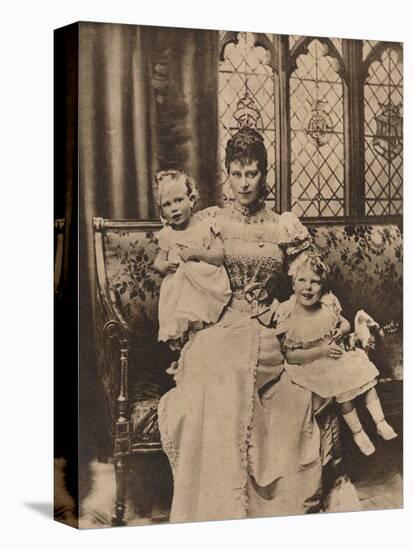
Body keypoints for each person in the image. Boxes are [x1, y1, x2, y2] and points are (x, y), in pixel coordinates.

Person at [158, 128, 360, 523]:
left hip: (267, 326)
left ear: (264, 174)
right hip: (221, 321)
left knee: (259, 380)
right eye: (236, 173)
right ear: (227, 175)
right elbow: (182, 262)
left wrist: (287, 310)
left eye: (252, 173)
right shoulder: (211, 220)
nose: (244, 182)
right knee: (212, 364)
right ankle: (217, 506)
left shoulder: (283, 225)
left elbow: (311, 278)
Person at [275, 252, 397, 456]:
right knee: (342, 389)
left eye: (315, 282)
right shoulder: (288, 313)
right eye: (302, 280)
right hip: (311, 365)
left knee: (364, 373)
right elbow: (290, 356)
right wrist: (320, 350)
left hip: (336, 358)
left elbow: (345, 322)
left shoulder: (327, 304)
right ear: (293, 283)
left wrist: (341, 331)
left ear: (322, 285)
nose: (308, 287)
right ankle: (358, 432)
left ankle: (380, 421)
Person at [153, 169, 231, 352]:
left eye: (179, 200)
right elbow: (157, 262)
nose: (174, 208)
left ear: (192, 199)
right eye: (167, 204)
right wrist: (165, 266)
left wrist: (196, 253)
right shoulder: (167, 235)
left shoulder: (204, 227)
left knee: (201, 330)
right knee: (181, 329)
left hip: (202, 287)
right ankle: (183, 360)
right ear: (162, 212)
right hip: (177, 293)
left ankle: (199, 354)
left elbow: (219, 257)